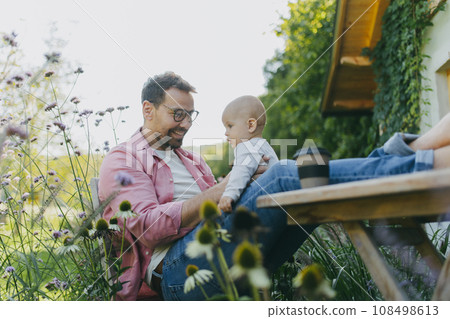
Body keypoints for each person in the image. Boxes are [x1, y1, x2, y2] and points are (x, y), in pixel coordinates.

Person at [98, 71, 450, 301]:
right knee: (285, 175)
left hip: (224, 248)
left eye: (192, 115)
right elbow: (145, 228)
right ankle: (417, 156)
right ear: (148, 109)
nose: (187, 123)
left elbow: (228, 202)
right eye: (178, 114)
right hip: (175, 274)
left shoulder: (192, 161)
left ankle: (409, 159)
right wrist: (222, 191)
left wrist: (250, 181)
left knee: (299, 190)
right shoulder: (123, 159)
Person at [218, 95, 278, 212]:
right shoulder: (264, 146)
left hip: (265, 205)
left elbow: (241, 170)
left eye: (230, 126)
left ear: (251, 125)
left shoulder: (246, 146)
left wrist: (229, 194)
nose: (226, 133)